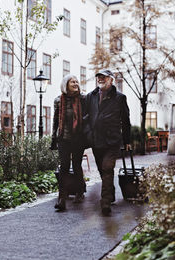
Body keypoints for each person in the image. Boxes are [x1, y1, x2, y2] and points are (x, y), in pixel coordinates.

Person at [84, 69, 131, 216]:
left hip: (112, 141)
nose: (100, 79)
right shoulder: (90, 96)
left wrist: (127, 140)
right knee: (102, 170)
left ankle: (105, 203)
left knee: (107, 168)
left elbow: (126, 121)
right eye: (99, 77)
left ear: (111, 80)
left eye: (104, 77)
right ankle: (110, 192)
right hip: (96, 140)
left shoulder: (119, 98)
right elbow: (86, 117)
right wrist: (88, 133)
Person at [50, 74, 86, 211]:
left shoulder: (83, 98)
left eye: (77, 81)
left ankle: (79, 191)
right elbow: (55, 120)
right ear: (66, 84)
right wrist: (54, 138)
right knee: (64, 166)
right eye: (72, 82)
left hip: (78, 138)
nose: (76, 83)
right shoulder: (58, 100)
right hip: (63, 139)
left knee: (77, 165)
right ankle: (62, 198)